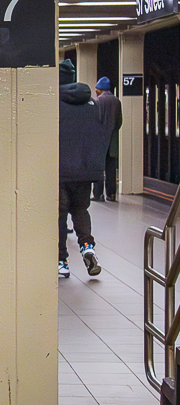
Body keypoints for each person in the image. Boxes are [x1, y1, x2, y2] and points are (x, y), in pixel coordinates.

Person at [59, 59, 114, 279]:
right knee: (81, 210)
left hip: (60, 170)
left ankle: (62, 261)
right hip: (84, 170)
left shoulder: (54, 103)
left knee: (60, 214)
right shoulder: (92, 104)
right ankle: (87, 247)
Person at [91, 76, 123, 202]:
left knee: (99, 168)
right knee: (111, 168)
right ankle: (111, 194)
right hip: (112, 141)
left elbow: (94, 121)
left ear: (100, 89)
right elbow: (119, 122)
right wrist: (113, 132)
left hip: (99, 140)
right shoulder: (117, 101)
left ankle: (98, 194)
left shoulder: (97, 101)